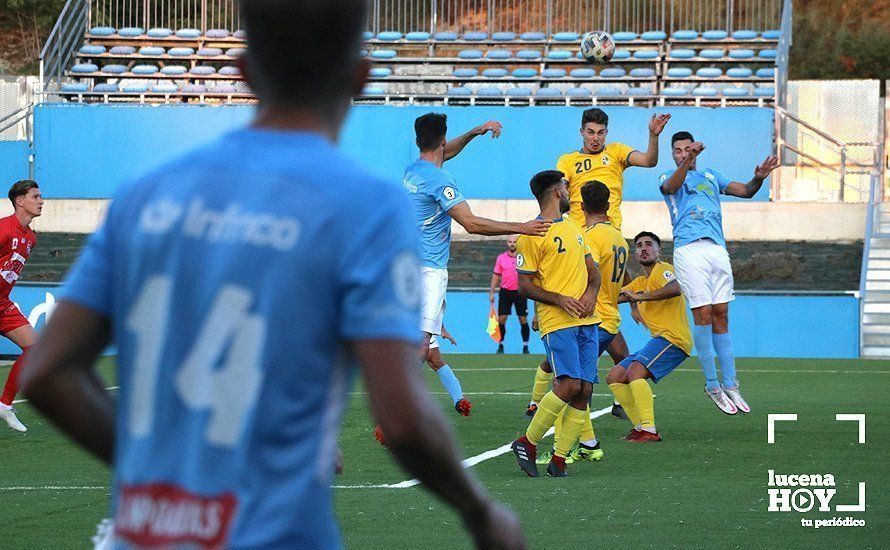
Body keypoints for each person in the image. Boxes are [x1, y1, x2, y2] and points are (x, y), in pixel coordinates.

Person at [21, 2, 524, 549]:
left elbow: (47, 371)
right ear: (360, 76)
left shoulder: (148, 193)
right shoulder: (363, 206)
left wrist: (153, 467)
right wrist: (480, 512)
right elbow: (401, 419)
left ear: (244, 71)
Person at [404, 113, 549, 410]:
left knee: (426, 347)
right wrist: (521, 227)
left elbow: (447, 151)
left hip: (407, 266)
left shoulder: (413, 171)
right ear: (442, 141)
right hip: (429, 270)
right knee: (421, 343)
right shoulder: (440, 179)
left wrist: (475, 131)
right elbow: (470, 223)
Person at [660, 131, 779, 414]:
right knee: (702, 314)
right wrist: (686, 161)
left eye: (687, 149)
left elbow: (746, 191)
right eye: (678, 150)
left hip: (716, 249)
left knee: (721, 315)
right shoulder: (669, 176)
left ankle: (731, 384)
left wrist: (759, 177)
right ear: (673, 153)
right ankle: (712, 384)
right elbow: (669, 189)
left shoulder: (711, 176)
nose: (683, 154)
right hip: (689, 249)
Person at [529, 180, 633, 465]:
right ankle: (587, 442)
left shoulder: (590, 235)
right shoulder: (618, 237)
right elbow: (625, 279)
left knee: (567, 382)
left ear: (583, 206)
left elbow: (589, 271)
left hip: (586, 316)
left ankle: (569, 447)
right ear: (609, 205)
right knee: (580, 383)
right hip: (608, 316)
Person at [510, 170, 600, 478]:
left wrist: (590, 293)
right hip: (556, 320)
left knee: (585, 389)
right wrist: (559, 299)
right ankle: (527, 442)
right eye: (565, 185)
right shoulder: (531, 234)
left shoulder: (575, 226)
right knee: (570, 384)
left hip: (588, 320)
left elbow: (594, 271)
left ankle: (559, 458)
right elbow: (524, 286)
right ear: (556, 193)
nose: (569, 189)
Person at [605, 232, 693, 442]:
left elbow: (675, 288)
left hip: (674, 339)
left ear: (658, 251)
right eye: (639, 246)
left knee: (635, 372)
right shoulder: (639, 282)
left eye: (648, 244)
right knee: (615, 375)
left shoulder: (664, 270)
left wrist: (641, 298)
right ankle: (639, 426)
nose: (643, 248)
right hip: (659, 340)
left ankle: (649, 430)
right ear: (635, 254)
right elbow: (614, 298)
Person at [556, 108, 671, 231]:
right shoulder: (567, 160)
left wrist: (653, 136)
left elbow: (649, 161)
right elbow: (558, 191)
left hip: (610, 228)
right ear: (582, 132)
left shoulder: (616, 151)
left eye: (600, 133)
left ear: (606, 132)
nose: (596, 138)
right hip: (578, 231)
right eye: (591, 132)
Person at [0, 179, 43, 433]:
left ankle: (5, 405)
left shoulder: (31, 238)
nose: (41, 201)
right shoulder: (4, 229)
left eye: (40, 196)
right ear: (20, 201)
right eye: (35, 196)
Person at [489, 236, 530, 354]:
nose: (512, 244)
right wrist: (491, 292)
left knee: (522, 319)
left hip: (520, 292)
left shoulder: (523, 257)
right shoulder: (501, 258)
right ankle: (500, 344)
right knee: (502, 319)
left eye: (514, 242)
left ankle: (525, 346)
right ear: (507, 243)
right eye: (510, 242)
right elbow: (496, 275)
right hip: (505, 291)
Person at [426, 325, 470, 415]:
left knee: (435, 361)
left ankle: (459, 402)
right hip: (410, 331)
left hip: (421, 331)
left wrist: (442, 329)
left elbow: (432, 313)